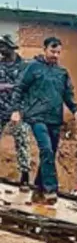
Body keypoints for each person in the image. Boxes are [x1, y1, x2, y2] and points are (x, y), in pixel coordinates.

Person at [11, 36, 77, 205]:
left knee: (50, 153)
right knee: (46, 149)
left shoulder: (62, 73)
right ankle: (51, 189)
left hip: (54, 118)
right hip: (36, 116)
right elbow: (19, 88)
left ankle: (38, 188)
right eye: (52, 51)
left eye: (58, 52)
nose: (55, 55)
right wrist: (16, 110)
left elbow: (68, 94)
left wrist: (76, 110)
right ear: (44, 49)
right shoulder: (33, 68)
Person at [0, 35, 31, 191]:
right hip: (0, 108)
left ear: (11, 47)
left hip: (19, 110)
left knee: (22, 143)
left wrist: (19, 109)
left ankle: (25, 177)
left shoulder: (25, 66)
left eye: (3, 46)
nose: (1, 49)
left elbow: (27, 88)